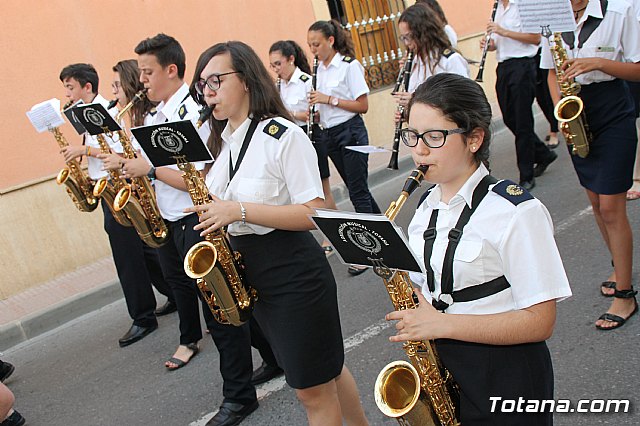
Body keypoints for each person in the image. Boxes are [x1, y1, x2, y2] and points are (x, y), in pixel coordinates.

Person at [186, 41, 368, 426]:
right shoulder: (224, 141)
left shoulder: (283, 135)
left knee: (311, 390)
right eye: (203, 85)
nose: (209, 92)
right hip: (255, 274)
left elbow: (316, 212)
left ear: (248, 80)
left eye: (217, 80)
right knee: (326, 371)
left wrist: (238, 210)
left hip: (293, 272)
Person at [385, 73, 572, 424]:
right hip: (446, 363)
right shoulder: (424, 207)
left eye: (434, 137)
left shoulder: (516, 212)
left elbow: (540, 322)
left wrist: (441, 324)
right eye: (411, 135)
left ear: (474, 139)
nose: (419, 150)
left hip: (508, 372)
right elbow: (425, 289)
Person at [121, 33, 258, 425]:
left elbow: (202, 178)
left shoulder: (194, 113)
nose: (141, 80)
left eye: (147, 72)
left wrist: (148, 169)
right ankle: (274, 357)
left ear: (171, 70)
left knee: (220, 310)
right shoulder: (156, 113)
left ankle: (239, 395)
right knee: (232, 298)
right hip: (172, 218)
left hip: (197, 217)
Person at [541, 0, 640, 329]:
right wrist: (564, 111)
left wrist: (598, 63)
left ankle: (625, 295)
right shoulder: (553, 15)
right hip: (576, 113)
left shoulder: (623, 9)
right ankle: (618, 264)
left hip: (613, 109)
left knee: (612, 207)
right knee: (597, 203)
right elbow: (553, 73)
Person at [59, 63, 171, 347]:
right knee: (143, 250)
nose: (67, 93)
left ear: (86, 87)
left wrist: (84, 149)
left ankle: (142, 317)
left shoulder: (103, 111)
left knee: (127, 257)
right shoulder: (85, 115)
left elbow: (122, 150)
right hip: (106, 188)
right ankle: (173, 293)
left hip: (118, 187)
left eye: (70, 87)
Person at [100, 59, 177, 319]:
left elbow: (150, 161)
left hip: (163, 191)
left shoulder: (149, 116)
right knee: (167, 265)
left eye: (117, 85)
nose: (113, 92)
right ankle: (179, 300)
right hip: (150, 191)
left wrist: (123, 162)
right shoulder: (126, 116)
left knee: (173, 264)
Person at [307, 20, 380, 276]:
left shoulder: (349, 66)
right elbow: (325, 108)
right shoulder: (319, 71)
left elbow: (362, 106)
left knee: (358, 192)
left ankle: (367, 252)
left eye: (316, 44)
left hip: (351, 131)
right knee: (356, 187)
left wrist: (329, 99)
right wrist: (316, 112)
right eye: (310, 46)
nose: (313, 50)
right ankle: (386, 231)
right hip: (330, 134)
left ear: (330, 41)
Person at [268, 39, 337, 256]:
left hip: (311, 135)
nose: (276, 70)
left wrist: (290, 114)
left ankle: (332, 235)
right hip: (290, 139)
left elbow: (315, 115)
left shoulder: (307, 81)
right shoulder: (278, 86)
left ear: (291, 59)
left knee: (322, 191)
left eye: (278, 64)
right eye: (273, 66)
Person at [482, 0, 558, 190]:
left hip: (523, 65)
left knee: (523, 121)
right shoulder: (498, 8)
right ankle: (543, 153)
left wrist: (502, 31)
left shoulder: (524, 5)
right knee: (509, 118)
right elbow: (499, 42)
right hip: (504, 66)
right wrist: (489, 44)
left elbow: (535, 38)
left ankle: (526, 174)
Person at [394, 4, 469, 115]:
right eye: (403, 38)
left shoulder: (450, 60)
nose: (406, 43)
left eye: (409, 36)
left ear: (423, 32)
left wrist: (415, 101)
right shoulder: (414, 63)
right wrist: (406, 114)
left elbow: (462, 100)